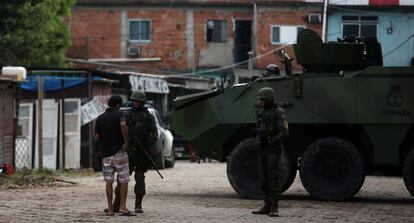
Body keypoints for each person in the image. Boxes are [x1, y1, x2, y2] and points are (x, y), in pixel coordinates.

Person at [113, 90, 158, 214]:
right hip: (128, 151)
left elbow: (154, 134)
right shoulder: (126, 115)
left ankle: (138, 204)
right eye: (134, 101)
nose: (136, 103)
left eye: (138, 101)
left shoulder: (148, 116)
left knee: (139, 177)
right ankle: (117, 204)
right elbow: (120, 131)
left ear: (142, 102)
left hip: (142, 153)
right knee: (122, 179)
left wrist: (146, 143)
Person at [95, 95, 134, 216]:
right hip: (119, 152)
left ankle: (110, 208)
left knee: (109, 181)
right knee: (124, 180)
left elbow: (96, 136)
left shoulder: (100, 118)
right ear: (118, 105)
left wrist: (102, 147)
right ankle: (122, 206)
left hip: (106, 155)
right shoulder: (120, 114)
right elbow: (123, 125)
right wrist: (126, 142)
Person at [253, 87, 289, 217]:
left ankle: (274, 208)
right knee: (263, 177)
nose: (261, 102)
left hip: (273, 149)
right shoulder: (262, 113)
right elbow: (261, 128)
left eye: (263, 100)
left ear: (269, 99)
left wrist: (272, 140)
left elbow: (285, 131)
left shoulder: (279, 112)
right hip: (263, 148)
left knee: (273, 177)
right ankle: (266, 206)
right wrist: (258, 136)